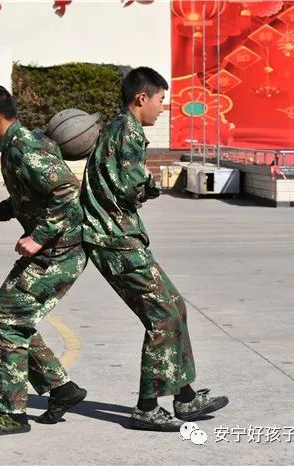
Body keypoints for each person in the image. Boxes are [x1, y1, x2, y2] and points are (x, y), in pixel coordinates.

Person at [80, 67, 229, 432]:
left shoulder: (118, 129)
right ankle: (147, 407)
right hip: (115, 240)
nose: (162, 108)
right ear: (141, 98)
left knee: (173, 308)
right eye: (161, 100)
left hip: (117, 236)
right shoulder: (128, 132)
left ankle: (185, 396)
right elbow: (131, 187)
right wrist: (152, 184)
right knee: (163, 315)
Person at [0, 83, 87, 436]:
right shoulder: (17, 146)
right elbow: (30, 194)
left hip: (59, 252)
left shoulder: (25, 148)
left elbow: (66, 191)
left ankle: (12, 413)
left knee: (2, 320)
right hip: (55, 249)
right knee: (13, 319)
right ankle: (61, 388)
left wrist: (38, 236)